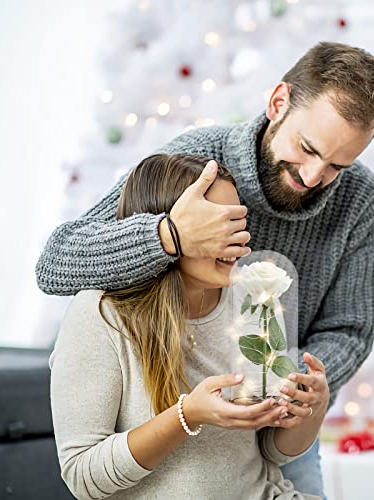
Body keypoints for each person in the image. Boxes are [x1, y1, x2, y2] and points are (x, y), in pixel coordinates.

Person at [37, 41, 374, 498]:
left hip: (276, 427)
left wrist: (295, 384)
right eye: (306, 148)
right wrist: (170, 236)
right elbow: (57, 263)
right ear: (278, 103)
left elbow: (349, 328)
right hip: (175, 407)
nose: (311, 176)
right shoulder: (198, 166)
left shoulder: (359, 198)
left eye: (336, 166)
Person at [49, 153, 329, 499]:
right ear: (176, 228)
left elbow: (274, 450)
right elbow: (83, 477)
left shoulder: (255, 296)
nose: (240, 241)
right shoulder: (102, 313)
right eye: (220, 225)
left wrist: (311, 410)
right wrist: (187, 415)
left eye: (239, 223)